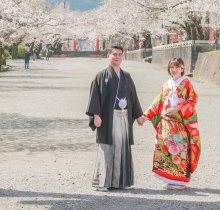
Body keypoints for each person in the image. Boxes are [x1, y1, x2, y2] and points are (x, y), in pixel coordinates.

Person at [86, 45, 146, 192]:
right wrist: (96, 115)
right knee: (107, 148)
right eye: (114, 54)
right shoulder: (101, 76)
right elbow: (95, 97)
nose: (117, 56)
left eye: (120, 54)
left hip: (124, 116)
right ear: (108, 56)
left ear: (123, 57)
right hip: (108, 117)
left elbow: (133, 97)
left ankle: (122, 182)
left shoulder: (126, 76)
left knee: (122, 148)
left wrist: (139, 115)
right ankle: (102, 181)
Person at [142, 57, 201, 190]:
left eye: (176, 67)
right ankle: (169, 178)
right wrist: (146, 116)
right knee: (165, 149)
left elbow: (192, 100)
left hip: (179, 123)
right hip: (165, 123)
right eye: (171, 67)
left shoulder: (186, 83)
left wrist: (178, 108)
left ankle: (180, 180)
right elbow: (158, 102)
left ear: (182, 68)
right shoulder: (166, 84)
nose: (173, 70)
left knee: (178, 150)